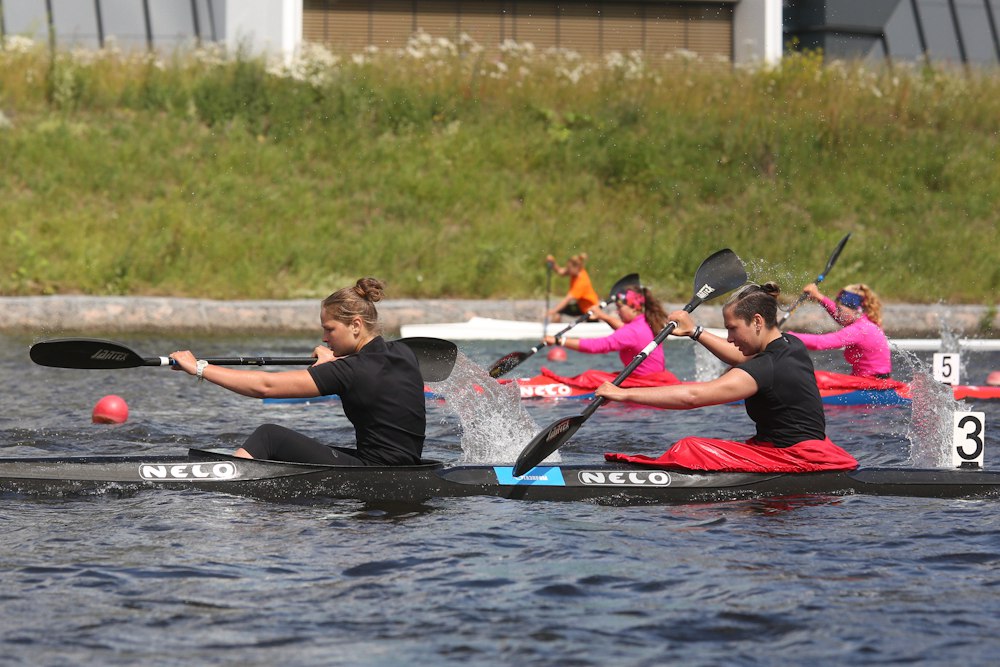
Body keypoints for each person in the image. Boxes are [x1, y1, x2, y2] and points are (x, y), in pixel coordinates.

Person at [595, 282, 858, 473]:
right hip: (803, 450)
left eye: (732, 329)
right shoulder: (790, 344)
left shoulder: (765, 366)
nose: (730, 338)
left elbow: (693, 397)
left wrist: (623, 394)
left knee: (691, 447)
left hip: (794, 458)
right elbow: (738, 356)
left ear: (757, 321)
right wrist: (694, 332)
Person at [170, 278, 426, 466]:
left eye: (330, 329)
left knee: (269, 437)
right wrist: (335, 361)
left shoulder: (349, 371)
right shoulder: (404, 353)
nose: (324, 338)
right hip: (407, 468)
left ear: (356, 325)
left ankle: (224, 487)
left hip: (375, 472)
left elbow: (265, 386)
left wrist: (199, 368)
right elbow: (369, 367)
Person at [542, 285, 675, 378]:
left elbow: (598, 346)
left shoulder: (632, 332)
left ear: (634, 308)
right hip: (654, 378)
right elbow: (624, 329)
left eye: (620, 307)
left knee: (590, 376)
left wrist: (559, 340)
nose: (617, 311)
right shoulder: (645, 323)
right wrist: (602, 316)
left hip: (644, 383)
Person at [785, 283, 892, 379]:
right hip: (870, 381)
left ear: (856, 310)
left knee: (816, 379)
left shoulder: (859, 330)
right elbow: (839, 314)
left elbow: (821, 342)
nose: (837, 314)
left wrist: (786, 336)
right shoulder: (866, 321)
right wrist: (819, 297)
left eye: (840, 310)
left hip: (873, 386)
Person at [545, 253, 600, 321]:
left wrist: (553, 311)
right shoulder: (575, 271)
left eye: (569, 268)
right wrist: (553, 263)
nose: (568, 270)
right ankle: (555, 328)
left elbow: (567, 299)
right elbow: (561, 272)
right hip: (581, 306)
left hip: (591, 309)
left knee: (558, 310)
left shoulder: (582, 282)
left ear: (576, 267)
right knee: (560, 311)